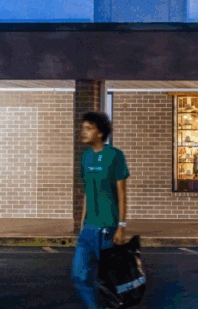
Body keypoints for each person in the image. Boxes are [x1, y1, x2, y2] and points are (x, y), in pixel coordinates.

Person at [73, 111, 130, 309]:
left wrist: (121, 226)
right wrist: (82, 225)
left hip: (108, 229)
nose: (83, 132)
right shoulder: (85, 157)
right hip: (88, 228)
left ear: (100, 132)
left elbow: (122, 194)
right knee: (79, 276)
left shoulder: (115, 155)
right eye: (83, 128)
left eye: (88, 128)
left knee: (110, 282)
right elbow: (87, 193)